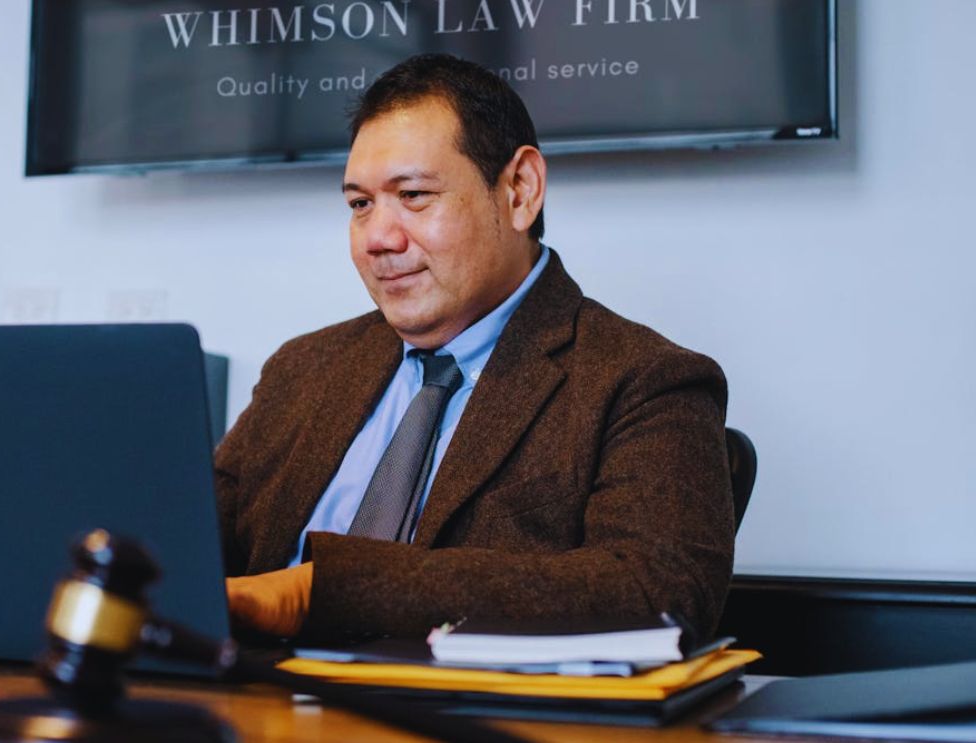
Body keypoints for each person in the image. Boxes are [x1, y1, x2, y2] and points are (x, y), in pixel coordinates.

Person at [215, 53, 734, 644]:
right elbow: (184, 538)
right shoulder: (302, 368)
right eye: (360, 205)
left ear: (519, 191)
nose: (377, 240)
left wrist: (318, 592)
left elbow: (659, 593)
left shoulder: (646, 380)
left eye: (412, 195)